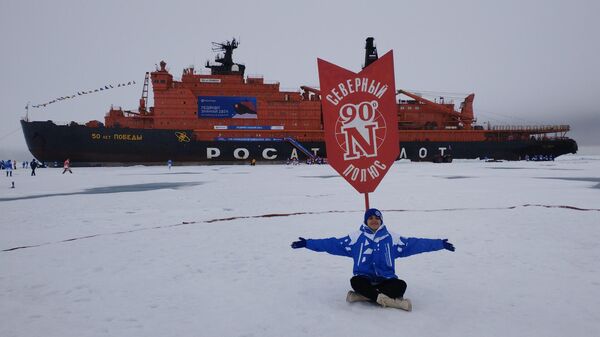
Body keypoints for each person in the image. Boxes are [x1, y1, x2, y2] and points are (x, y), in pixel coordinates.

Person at [291, 208, 455, 311]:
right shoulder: (355, 238)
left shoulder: (392, 239)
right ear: (366, 221)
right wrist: (308, 243)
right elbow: (332, 244)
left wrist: (439, 244)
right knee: (356, 281)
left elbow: (416, 244)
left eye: (377, 218)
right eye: (371, 218)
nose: (374, 220)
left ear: (381, 221)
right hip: (365, 279)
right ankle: (386, 301)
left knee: (401, 285)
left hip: (386, 280)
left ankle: (363, 296)